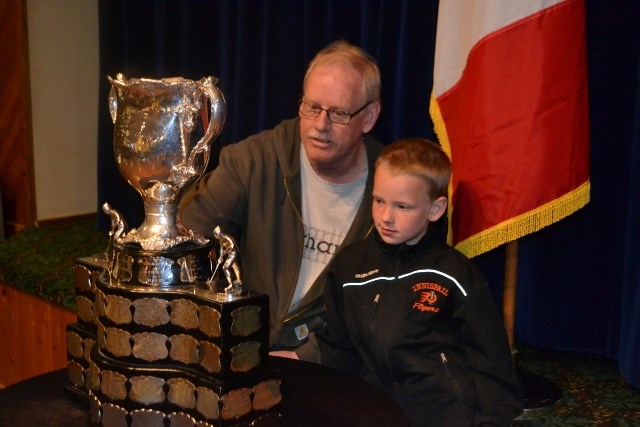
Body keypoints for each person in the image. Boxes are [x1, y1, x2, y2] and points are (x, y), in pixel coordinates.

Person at [275, 138, 523, 426]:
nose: (386, 217)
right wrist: (295, 358)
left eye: (403, 207)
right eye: (379, 201)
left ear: (435, 209)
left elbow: (491, 363)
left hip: (442, 413)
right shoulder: (351, 265)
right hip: (373, 408)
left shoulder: (454, 274)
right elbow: (340, 346)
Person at [179, 40, 383, 349]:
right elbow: (185, 234)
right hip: (246, 347)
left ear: (368, 117)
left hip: (336, 367)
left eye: (339, 113)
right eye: (312, 107)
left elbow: (394, 311)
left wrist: (315, 357)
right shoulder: (254, 160)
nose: (320, 126)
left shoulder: (394, 190)